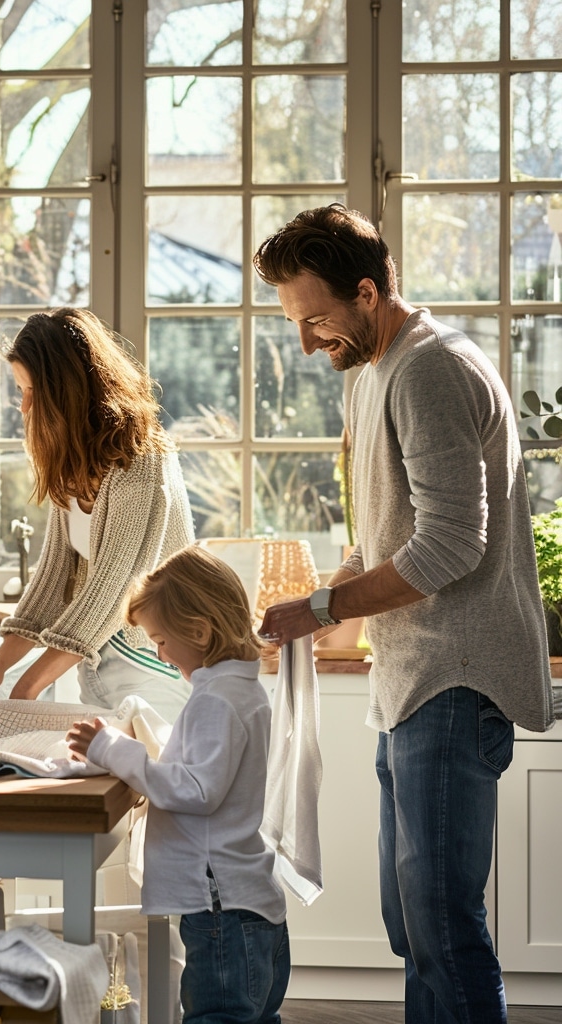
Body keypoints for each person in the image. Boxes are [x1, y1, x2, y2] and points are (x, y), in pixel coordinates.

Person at [252, 204, 554, 1022]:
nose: (308, 342)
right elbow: (393, 535)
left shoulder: (430, 368)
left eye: (316, 319)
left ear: (368, 290)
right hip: (411, 682)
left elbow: (452, 545)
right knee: (412, 924)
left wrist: (323, 604)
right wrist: (317, 608)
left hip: (453, 683)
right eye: (295, 324)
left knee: (443, 929)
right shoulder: (375, 370)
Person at [66, 544, 290, 1024]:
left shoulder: (218, 700)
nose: (161, 656)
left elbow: (196, 791)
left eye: (162, 640)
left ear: (199, 631)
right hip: (247, 906)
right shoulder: (241, 691)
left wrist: (111, 749)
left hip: (220, 911)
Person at [0, 307, 195, 723]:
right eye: (19, 391)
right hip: (94, 657)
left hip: (154, 659)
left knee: (148, 784)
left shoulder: (141, 462)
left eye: (32, 392)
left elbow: (114, 588)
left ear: (67, 392)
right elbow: (52, 580)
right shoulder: (73, 465)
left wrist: (26, 687)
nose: (24, 407)